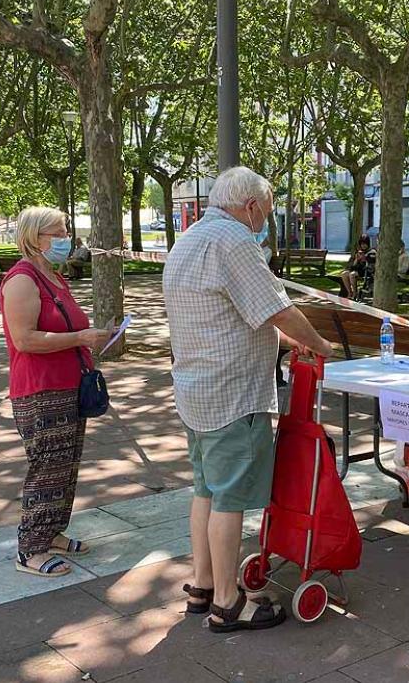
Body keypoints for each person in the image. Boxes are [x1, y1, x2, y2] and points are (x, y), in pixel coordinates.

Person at [164, 166, 331, 633]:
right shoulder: (236, 242)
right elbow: (276, 307)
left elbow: (229, 314)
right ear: (251, 206)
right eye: (268, 213)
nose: (266, 223)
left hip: (196, 390)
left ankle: (202, 584)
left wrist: (282, 341)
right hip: (234, 393)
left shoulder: (189, 240)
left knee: (206, 489)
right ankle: (227, 601)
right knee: (231, 498)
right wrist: (319, 344)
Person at [0, 207, 113, 577]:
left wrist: (90, 339)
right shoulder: (22, 280)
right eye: (58, 233)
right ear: (35, 238)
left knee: (66, 466)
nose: (66, 238)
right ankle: (30, 548)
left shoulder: (53, 277)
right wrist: (81, 337)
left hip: (69, 386)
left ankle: (51, 532)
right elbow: (25, 339)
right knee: (47, 466)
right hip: (40, 389)